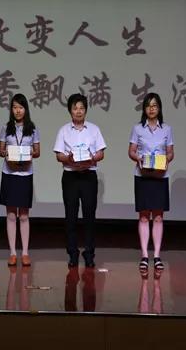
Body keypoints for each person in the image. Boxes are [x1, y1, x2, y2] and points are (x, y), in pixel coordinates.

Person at [53, 93, 106, 268]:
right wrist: (68, 158)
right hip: (70, 176)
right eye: (75, 108)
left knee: (89, 216)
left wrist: (92, 157)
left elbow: (101, 153)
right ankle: (73, 254)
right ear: (70, 110)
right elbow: (59, 155)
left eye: (81, 108)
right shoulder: (63, 130)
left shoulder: (94, 129)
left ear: (86, 110)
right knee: (71, 217)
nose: (78, 111)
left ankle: (89, 254)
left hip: (89, 176)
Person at [128, 92, 174, 272]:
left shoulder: (167, 129)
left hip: (160, 176)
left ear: (159, 108)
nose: (151, 108)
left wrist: (165, 159)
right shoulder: (138, 129)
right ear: (144, 109)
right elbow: (131, 151)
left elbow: (170, 152)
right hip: (143, 175)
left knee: (159, 217)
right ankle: (144, 256)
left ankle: (157, 255)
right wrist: (138, 158)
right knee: (144, 216)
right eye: (148, 105)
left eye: (154, 105)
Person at [0, 93, 40, 266]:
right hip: (9, 173)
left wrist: (28, 153)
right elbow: (1, 151)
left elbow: (37, 151)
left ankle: (25, 253)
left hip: (25, 174)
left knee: (23, 215)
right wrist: (7, 153)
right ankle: (13, 253)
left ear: (25, 109)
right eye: (14, 107)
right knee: (10, 215)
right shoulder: (6, 127)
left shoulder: (33, 128)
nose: (17, 110)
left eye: (20, 107)